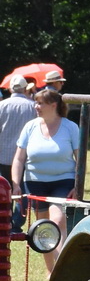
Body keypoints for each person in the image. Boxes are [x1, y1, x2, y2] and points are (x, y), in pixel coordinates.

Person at [11, 88, 81, 274]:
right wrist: (16, 184)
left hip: (63, 181)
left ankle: (61, 270)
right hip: (34, 182)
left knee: (58, 222)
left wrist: (77, 184)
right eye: (36, 102)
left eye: (40, 103)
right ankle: (52, 274)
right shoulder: (30, 127)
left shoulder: (70, 127)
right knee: (42, 230)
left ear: (53, 105)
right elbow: (19, 159)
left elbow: (80, 159)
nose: (36, 106)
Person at [0, 76, 37, 233]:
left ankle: (3, 221)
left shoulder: (1, 105)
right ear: (25, 88)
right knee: (23, 192)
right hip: (25, 157)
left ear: (9, 89)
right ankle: (16, 222)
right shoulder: (33, 106)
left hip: (2, 155)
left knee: (2, 192)